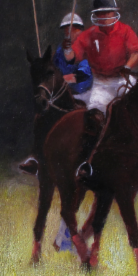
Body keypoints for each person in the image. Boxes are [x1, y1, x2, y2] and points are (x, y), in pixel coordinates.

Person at [19, 12, 93, 177]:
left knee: (91, 120)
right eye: (66, 30)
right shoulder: (60, 50)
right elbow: (53, 70)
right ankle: (36, 158)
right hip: (61, 93)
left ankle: (88, 161)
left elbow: (84, 74)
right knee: (42, 116)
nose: (68, 33)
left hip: (84, 93)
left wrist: (63, 79)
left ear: (80, 30)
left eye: (72, 29)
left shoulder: (85, 48)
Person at [63, 0, 138, 114]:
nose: (105, 16)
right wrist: (67, 49)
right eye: (101, 12)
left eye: (108, 12)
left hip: (122, 79)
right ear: (95, 15)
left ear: (114, 12)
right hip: (101, 84)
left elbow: (136, 51)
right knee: (96, 111)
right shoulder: (89, 35)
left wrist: (127, 66)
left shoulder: (125, 30)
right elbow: (72, 57)